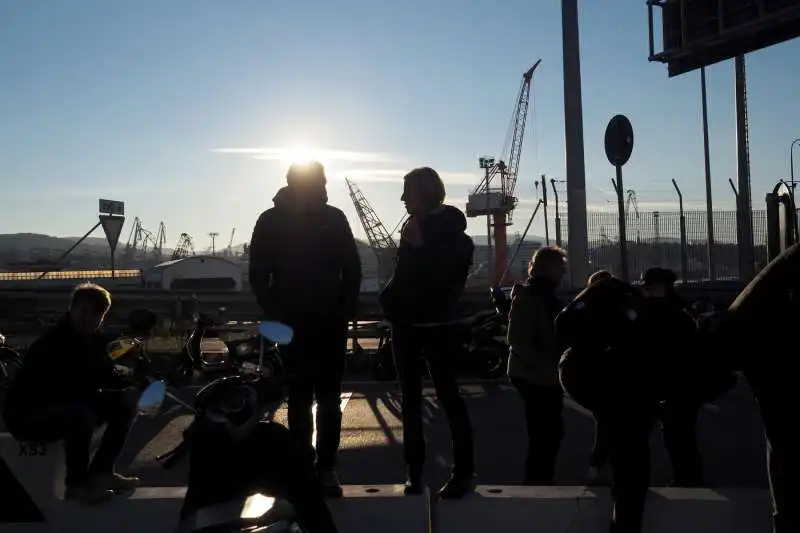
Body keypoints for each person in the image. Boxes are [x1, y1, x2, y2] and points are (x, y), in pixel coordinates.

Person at [248, 161, 362, 498]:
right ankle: (319, 469)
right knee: (313, 398)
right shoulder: (327, 218)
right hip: (312, 321)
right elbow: (351, 271)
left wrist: (275, 309)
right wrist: (341, 310)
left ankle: (316, 468)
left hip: (309, 321)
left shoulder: (280, 219)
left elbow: (259, 275)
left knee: (308, 398)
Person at [379, 167, 476, 498]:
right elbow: (405, 275)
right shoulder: (414, 227)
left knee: (445, 399)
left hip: (434, 326)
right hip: (407, 324)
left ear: (426, 193)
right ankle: (416, 472)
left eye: (408, 191)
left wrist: (419, 250)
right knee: (414, 401)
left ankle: (462, 472)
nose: (403, 198)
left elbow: (444, 281)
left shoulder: (452, 235)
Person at [2, 283, 140, 505]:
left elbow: (105, 373)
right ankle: (77, 486)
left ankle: (102, 471)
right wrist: (102, 389)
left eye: (97, 314)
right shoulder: (53, 342)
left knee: (125, 403)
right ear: (71, 309)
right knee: (81, 414)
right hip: (29, 414)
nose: (90, 318)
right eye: (84, 311)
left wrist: (130, 385)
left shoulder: (93, 341)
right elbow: (63, 388)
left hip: (63, 406)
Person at [556, 277, 657, 533]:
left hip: (586, 378)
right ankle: (625, 518)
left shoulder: (580, 314)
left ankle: (605, 474)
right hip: (626, 388)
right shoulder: (635, 309)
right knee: (631, 458)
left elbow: (561, 330)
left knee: (614, 434)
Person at [713, 242, 800, 533]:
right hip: (770, 351)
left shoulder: (785, 267)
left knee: (782, 442)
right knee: (785, 440)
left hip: (760, 349)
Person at [506, 246, 567, 485]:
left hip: (540, 374)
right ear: (549, 268)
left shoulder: (544, 295)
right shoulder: (531, 296)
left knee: (548, 432)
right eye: (560, 267)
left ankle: (541, 478)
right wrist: (542, 364)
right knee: (546, 433)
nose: (563, 272)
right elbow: (517, 338)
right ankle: (538, 482)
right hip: (535, 375)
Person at [639, 267, 705, 488]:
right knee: (678, 436)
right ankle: (688, 478)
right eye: (646, 287)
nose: (648, 292)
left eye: (652, 288)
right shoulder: (677, 313)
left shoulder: (670, 315)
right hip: (672, 385)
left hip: (671, 385)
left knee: (678, 436)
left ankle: (687, 478)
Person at [584, 269, 614, 484]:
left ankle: (597, 465)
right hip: (615, 376)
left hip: (596, 376)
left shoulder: (583, 310)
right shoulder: (621, 308)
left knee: (604, 424)